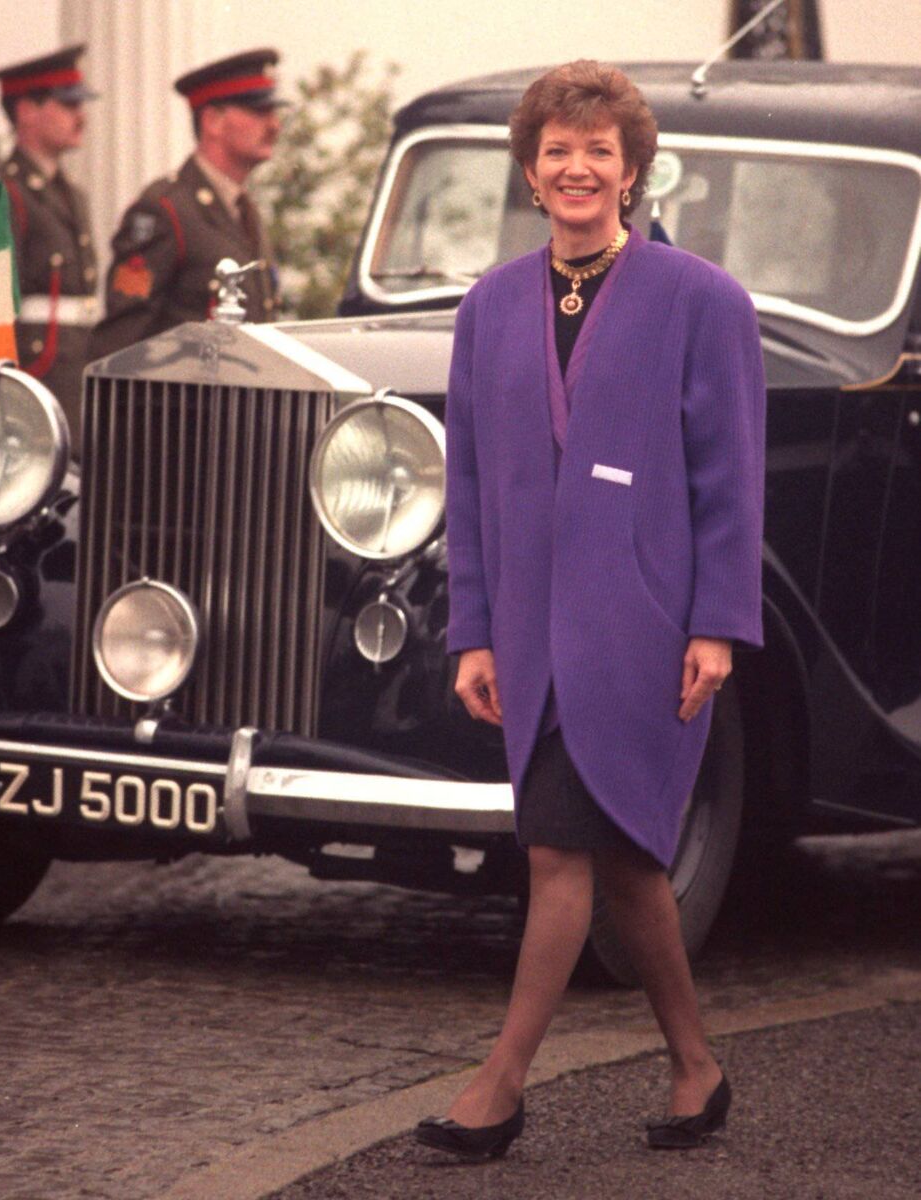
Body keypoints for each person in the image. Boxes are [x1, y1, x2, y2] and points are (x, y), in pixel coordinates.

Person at [416, 60, 765, 1157]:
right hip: (525, 627)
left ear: (629, 171)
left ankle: (499, 1086)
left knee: (560, 852)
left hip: (644, 625)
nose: (577, 167)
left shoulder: (701, 301)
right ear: (529, 172)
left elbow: (728, 477)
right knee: (621, 862)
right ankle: (694, 1068)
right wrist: (470, 629)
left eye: (597, 151)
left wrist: (716, 623)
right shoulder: (484, 309)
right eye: (556, 150)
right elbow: (467, 489)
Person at [88, 49, 283, 362]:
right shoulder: (164, 210)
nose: (275, 125)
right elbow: (122, 343)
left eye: (274, 112)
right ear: (212, 120)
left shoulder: (244, 211)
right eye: (259, 111)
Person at [0, 45, 99, 454]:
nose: (81, 116)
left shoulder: (72, 195)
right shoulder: (2, 194)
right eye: (68, 104)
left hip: (75, 382)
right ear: (26, 110)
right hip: (33, 386)